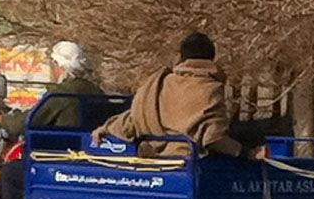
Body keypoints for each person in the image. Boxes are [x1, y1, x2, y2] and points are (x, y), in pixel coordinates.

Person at [0, 40, 104, 199]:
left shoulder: (62, 94)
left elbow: (30, 121)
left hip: (57, 165)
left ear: (61, 66)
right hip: (90, 164)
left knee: (11, 173)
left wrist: (3, 120)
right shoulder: (97, 92)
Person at [93, 32, 267, 158]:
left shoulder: (158, 84)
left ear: (182, 58)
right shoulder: (210, 88)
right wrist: (246, 153)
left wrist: (105, 128)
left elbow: (133, 120)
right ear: (211, 58)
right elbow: (213, 138)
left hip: (151, 160)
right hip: (189, 164)